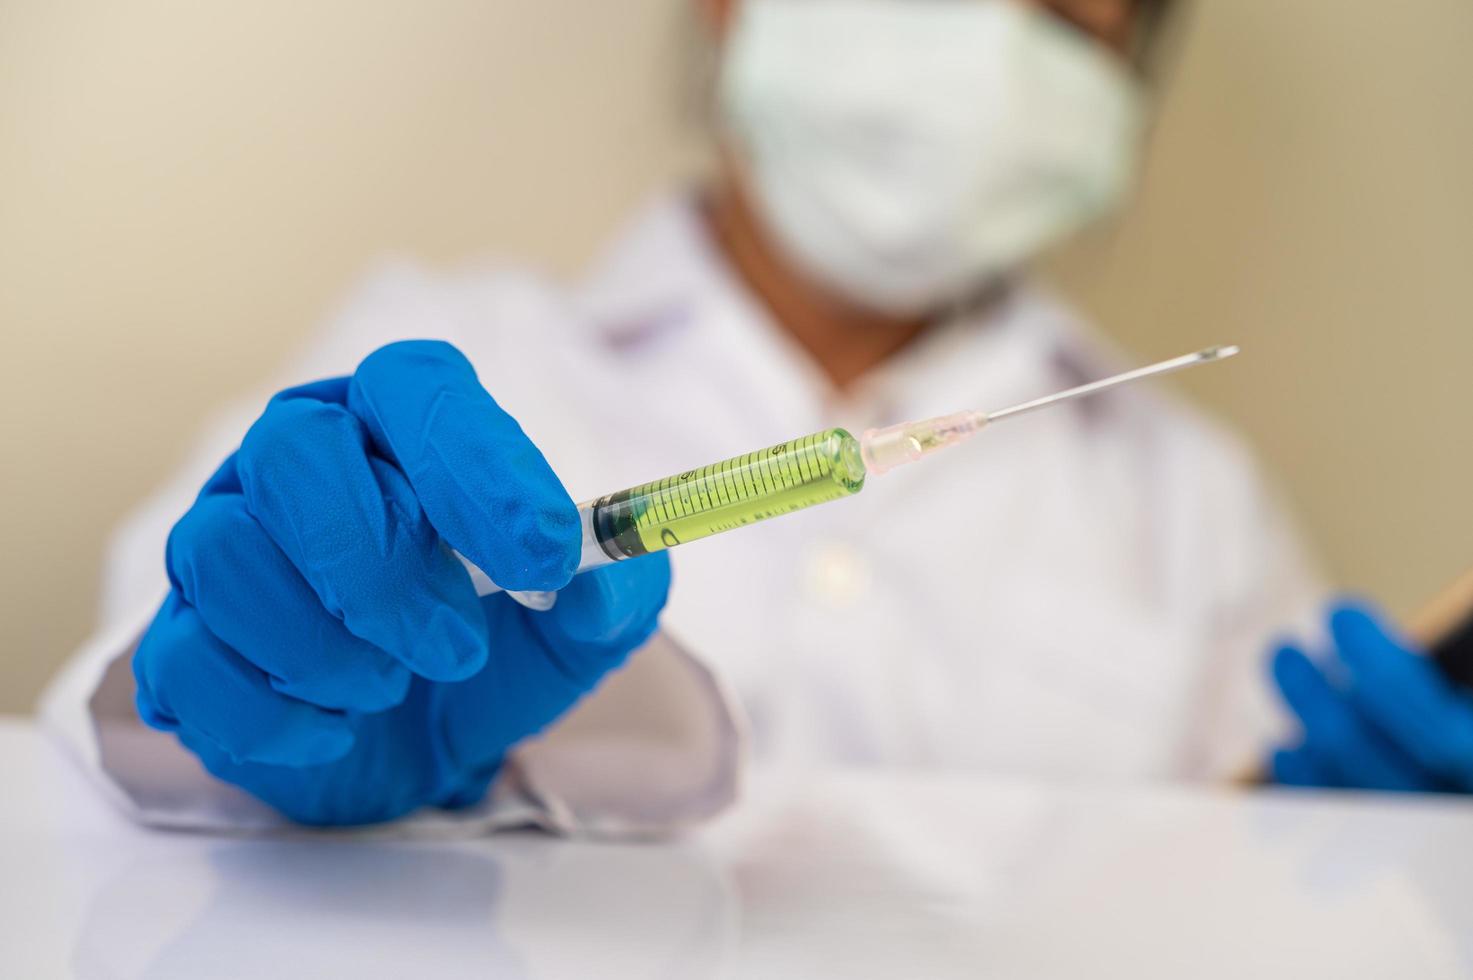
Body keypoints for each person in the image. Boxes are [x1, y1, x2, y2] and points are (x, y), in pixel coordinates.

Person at [43, 0, 1467, 833]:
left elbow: (1238, 902)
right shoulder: (443, 363)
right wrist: (242, 725)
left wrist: (1357, 867)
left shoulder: (1194, 511)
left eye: (1059, 4)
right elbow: (88, 779)